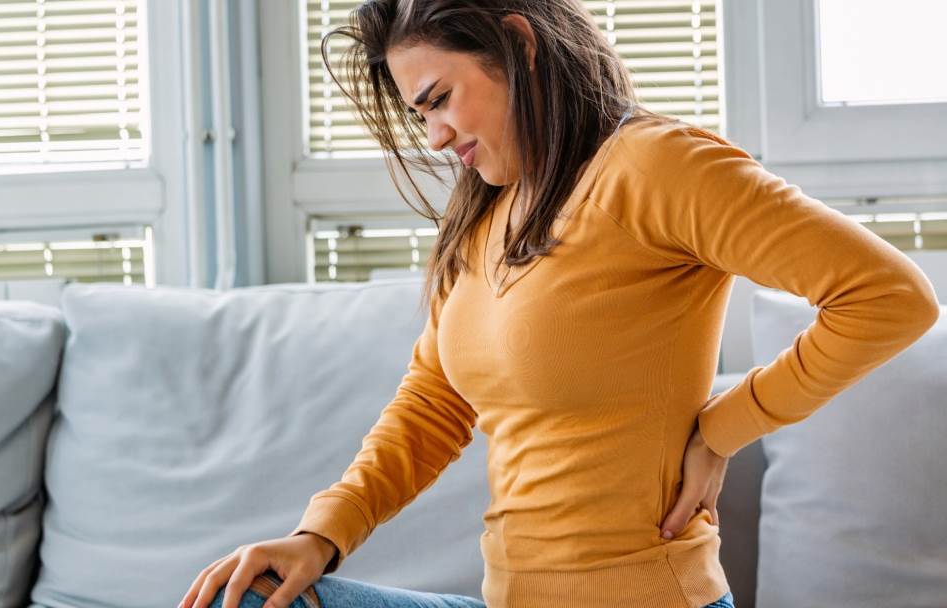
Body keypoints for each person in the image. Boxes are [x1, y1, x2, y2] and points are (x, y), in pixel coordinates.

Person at [177, 1, 940, 607]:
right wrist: (320, 537)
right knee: (247, 598)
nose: (436, 137)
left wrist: (723, 426)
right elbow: (433, 404)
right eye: (419, 115)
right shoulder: (485, 214)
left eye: (441, 100)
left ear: (519, 44)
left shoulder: (652, 166)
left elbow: (889, 296)